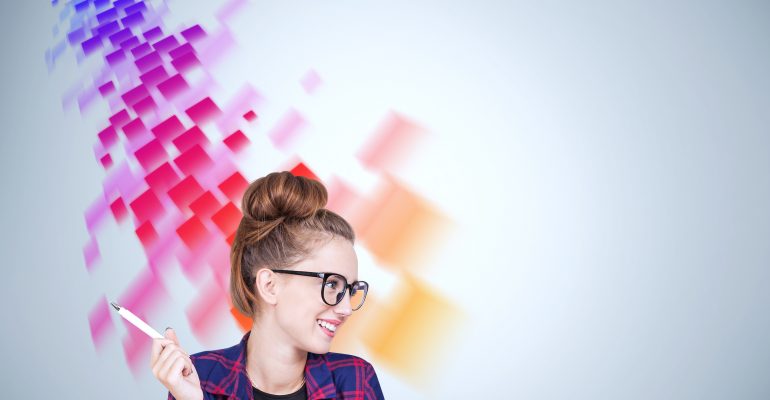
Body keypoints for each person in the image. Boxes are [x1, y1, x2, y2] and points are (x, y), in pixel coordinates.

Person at [150, 171, 385, 399]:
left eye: (350, 290)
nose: (346, 308)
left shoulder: (356, 380)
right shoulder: (199, 378)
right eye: (332, 284)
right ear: (270, 285)